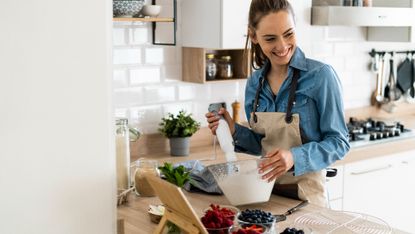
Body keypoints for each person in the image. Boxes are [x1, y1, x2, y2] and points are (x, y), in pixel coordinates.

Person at [205, 0, 350, 207]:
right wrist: (234, 130)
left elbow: (339, 143)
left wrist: (294, 157)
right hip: (265, 194)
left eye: (289, 34)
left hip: (308, 198)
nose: (282, 46)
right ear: (253, 36)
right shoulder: (254, 83)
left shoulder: (321, 76)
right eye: (270, 38)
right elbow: (263, 144)